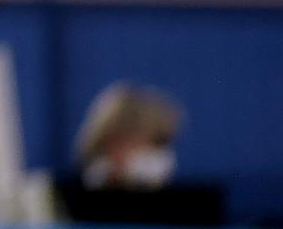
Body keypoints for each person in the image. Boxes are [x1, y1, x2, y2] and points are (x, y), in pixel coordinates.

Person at [59, 83, 224, 226]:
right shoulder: (56, 204)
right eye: (155, 142)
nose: (162, 155)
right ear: (115, 141)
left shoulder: (189, 210)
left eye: (164, 144)